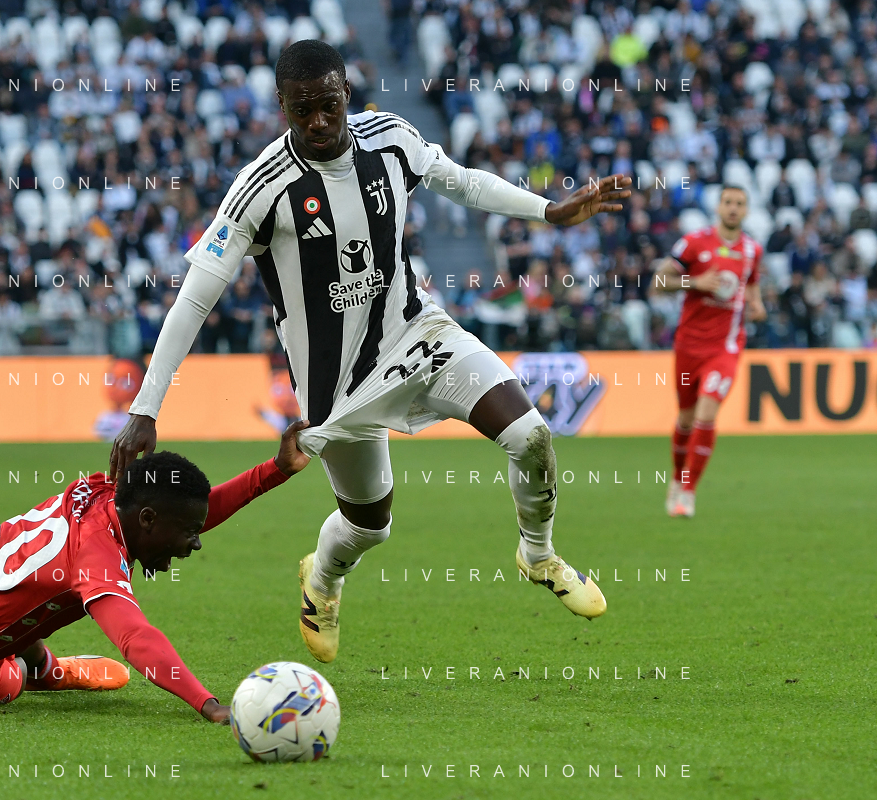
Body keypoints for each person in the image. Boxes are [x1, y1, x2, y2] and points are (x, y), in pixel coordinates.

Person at [110, 40, 629, 665]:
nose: (318, 121)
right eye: (302, 110)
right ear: (281, 106)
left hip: (418, 335)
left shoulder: (391, 139)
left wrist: (548, 209)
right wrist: (145, 407)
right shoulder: (260, 189)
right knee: (369, 523)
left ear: (346, 95)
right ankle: (323, 580)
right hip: (337, 388)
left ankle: (538, 554)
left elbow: (461, 182)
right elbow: (194, 301)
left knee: (531, 435)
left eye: (328, 105)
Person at [0, 420, 311, 719]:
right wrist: (207, 703)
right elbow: (136, 638)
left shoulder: (106, 490)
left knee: (24, 599)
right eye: (189, 534)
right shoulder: (97, 562)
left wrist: (277, 469)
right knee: (9, 676)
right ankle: (47, 672)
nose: (196, 542)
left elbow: (190, 508)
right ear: (147, 520)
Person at [651, 185, 766, 518]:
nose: (733, 208)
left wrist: (757, 305)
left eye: (739, 203)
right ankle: (677, 479)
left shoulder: (752, 250)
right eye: (728, 202)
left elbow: (751, 285)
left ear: (746, 210)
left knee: (706, 414)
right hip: (689, 344)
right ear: (718, 207)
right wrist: (695, 282)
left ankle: (688, 491)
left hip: (725, 346)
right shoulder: (694, 243)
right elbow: (659, 283)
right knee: (686, 419)